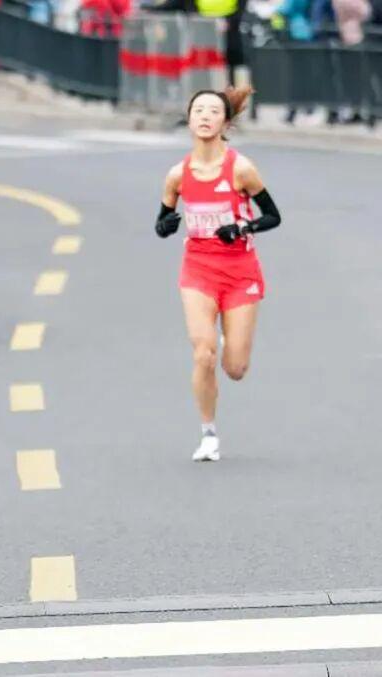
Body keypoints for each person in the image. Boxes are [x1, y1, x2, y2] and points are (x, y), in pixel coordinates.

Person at [154, 87, 282, 462]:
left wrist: (242, 228)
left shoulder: (241, 169)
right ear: (189, 119)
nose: (205, 116)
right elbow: (162, 222)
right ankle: (208, 434)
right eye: (199, 110)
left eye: (213, 111)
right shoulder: (177, 175)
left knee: (235, 368)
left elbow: (273, 216)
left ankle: (230, 335)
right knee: (203, 354)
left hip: (240, 270)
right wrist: (166, 225)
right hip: (198, 268)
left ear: (225, 123)